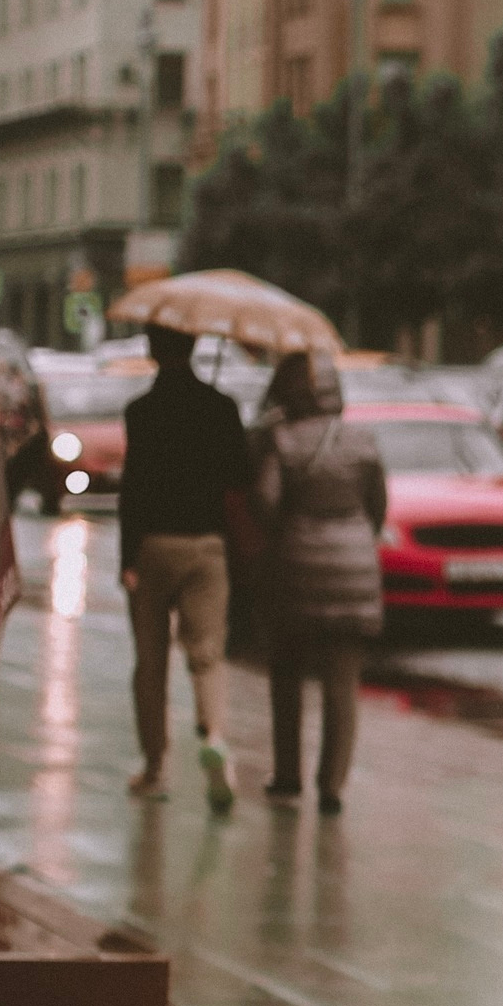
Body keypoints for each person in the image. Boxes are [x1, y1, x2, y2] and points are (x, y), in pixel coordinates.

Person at [248, 350, 387, 815]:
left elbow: (265, 505)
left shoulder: (283, 442)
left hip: (294, 571)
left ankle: (288, 776)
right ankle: (332, 785)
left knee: (286, 678)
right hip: (354, 571)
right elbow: (378, 509)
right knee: (341, 686)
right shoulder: (364, 442)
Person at [117, 323, 250, 810]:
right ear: (194, 346)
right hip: (207, 545)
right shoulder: (222, 408)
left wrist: (127, 559)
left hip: (153, 545)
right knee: (207, 654)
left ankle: (155, 769)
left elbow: (132, 490)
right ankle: (213, 735)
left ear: (153, 349)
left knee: (150, 663)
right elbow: (240, 481)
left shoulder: (141, 411)